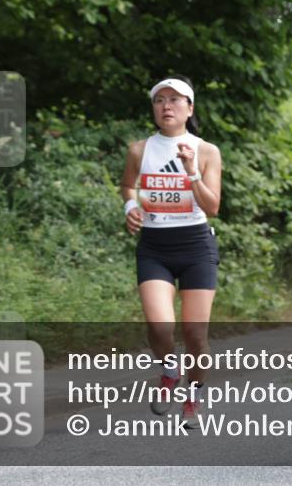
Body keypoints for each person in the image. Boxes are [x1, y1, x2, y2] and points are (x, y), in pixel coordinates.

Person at [120, 76, 223, 427]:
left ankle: (194, 395)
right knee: (160, 325)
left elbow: (213, 207)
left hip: (196, 246)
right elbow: (127, 185)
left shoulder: (207, 151)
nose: (166, 106)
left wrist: (192, 172)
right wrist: (129, 208)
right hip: (154, 247)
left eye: (175, 100)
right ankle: (168, 369)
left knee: (195, 334)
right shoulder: (139, 149)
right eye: (159, 100)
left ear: (189, 108)